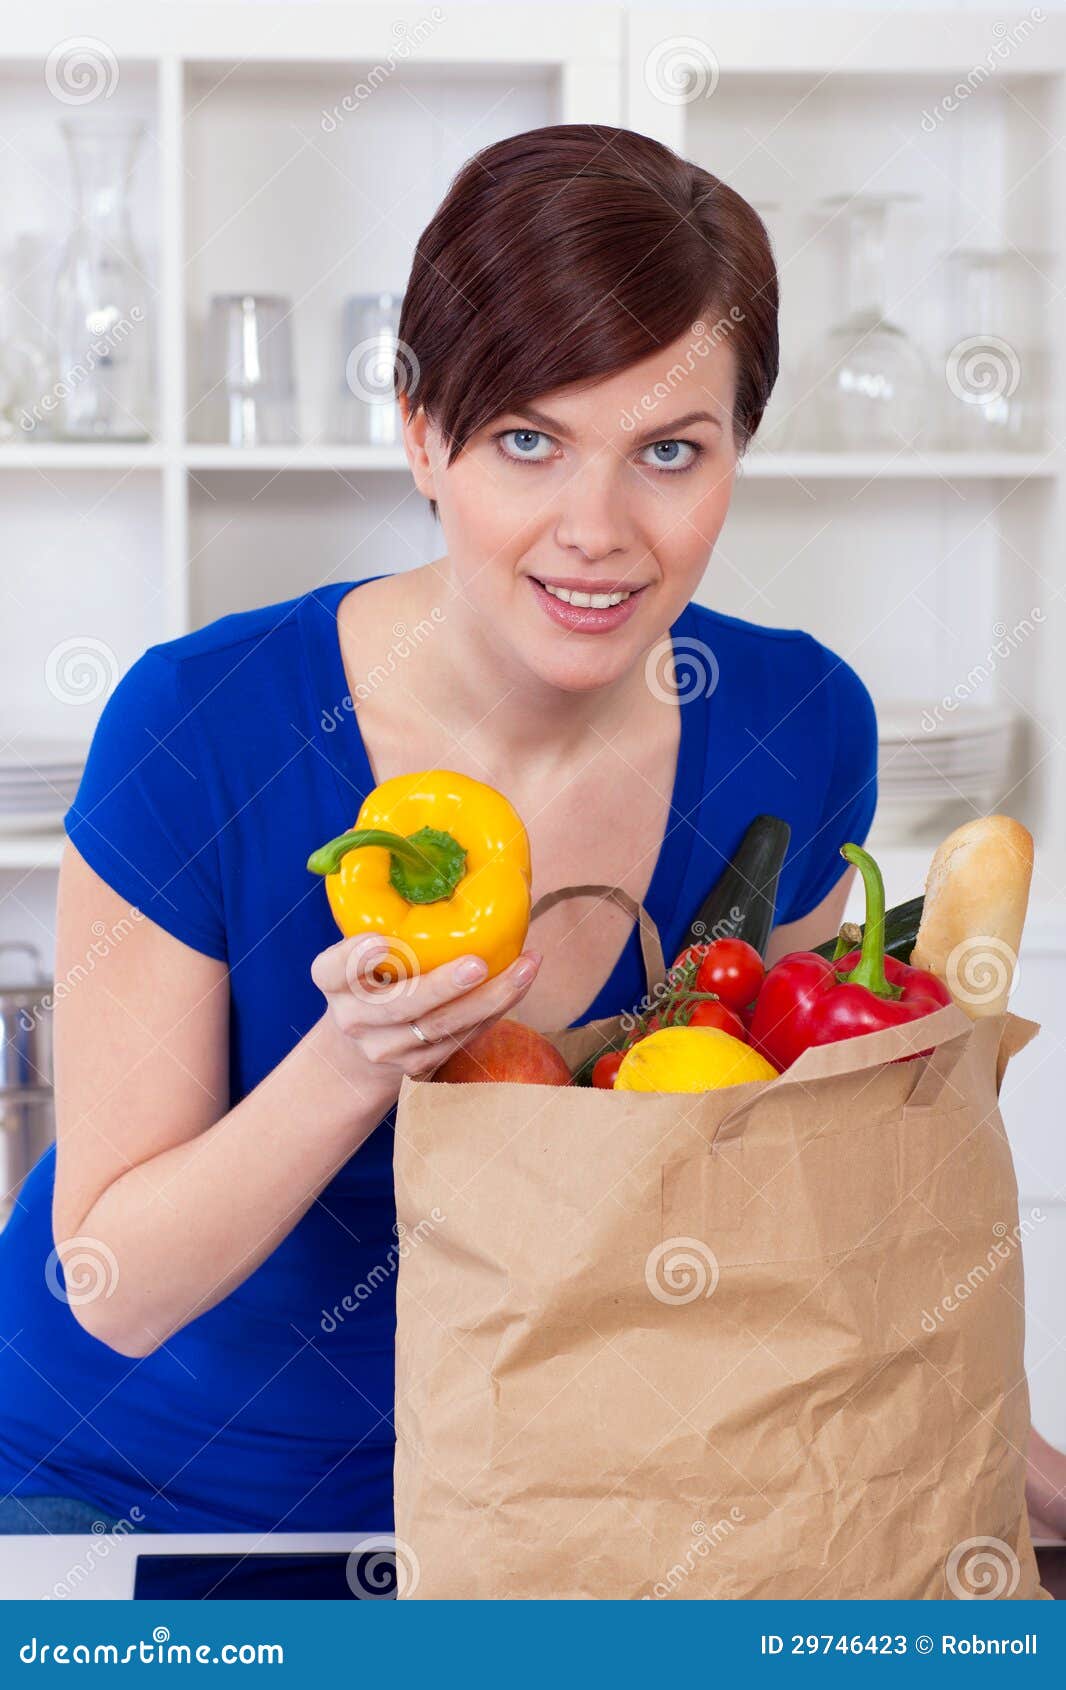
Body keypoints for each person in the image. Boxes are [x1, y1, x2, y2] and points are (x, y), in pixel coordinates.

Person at [0, 124, 879, 1534]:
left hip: (550, 1500)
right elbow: (112, 1283)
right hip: (135, 1496)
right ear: (420, 430)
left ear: (737, 451)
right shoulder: (201, 724)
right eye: (528, 439)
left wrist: (981, 1440)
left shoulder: (795, 726)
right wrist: (350, 1063)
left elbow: (786, 1190)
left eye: (668, 450)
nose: (595, 527)